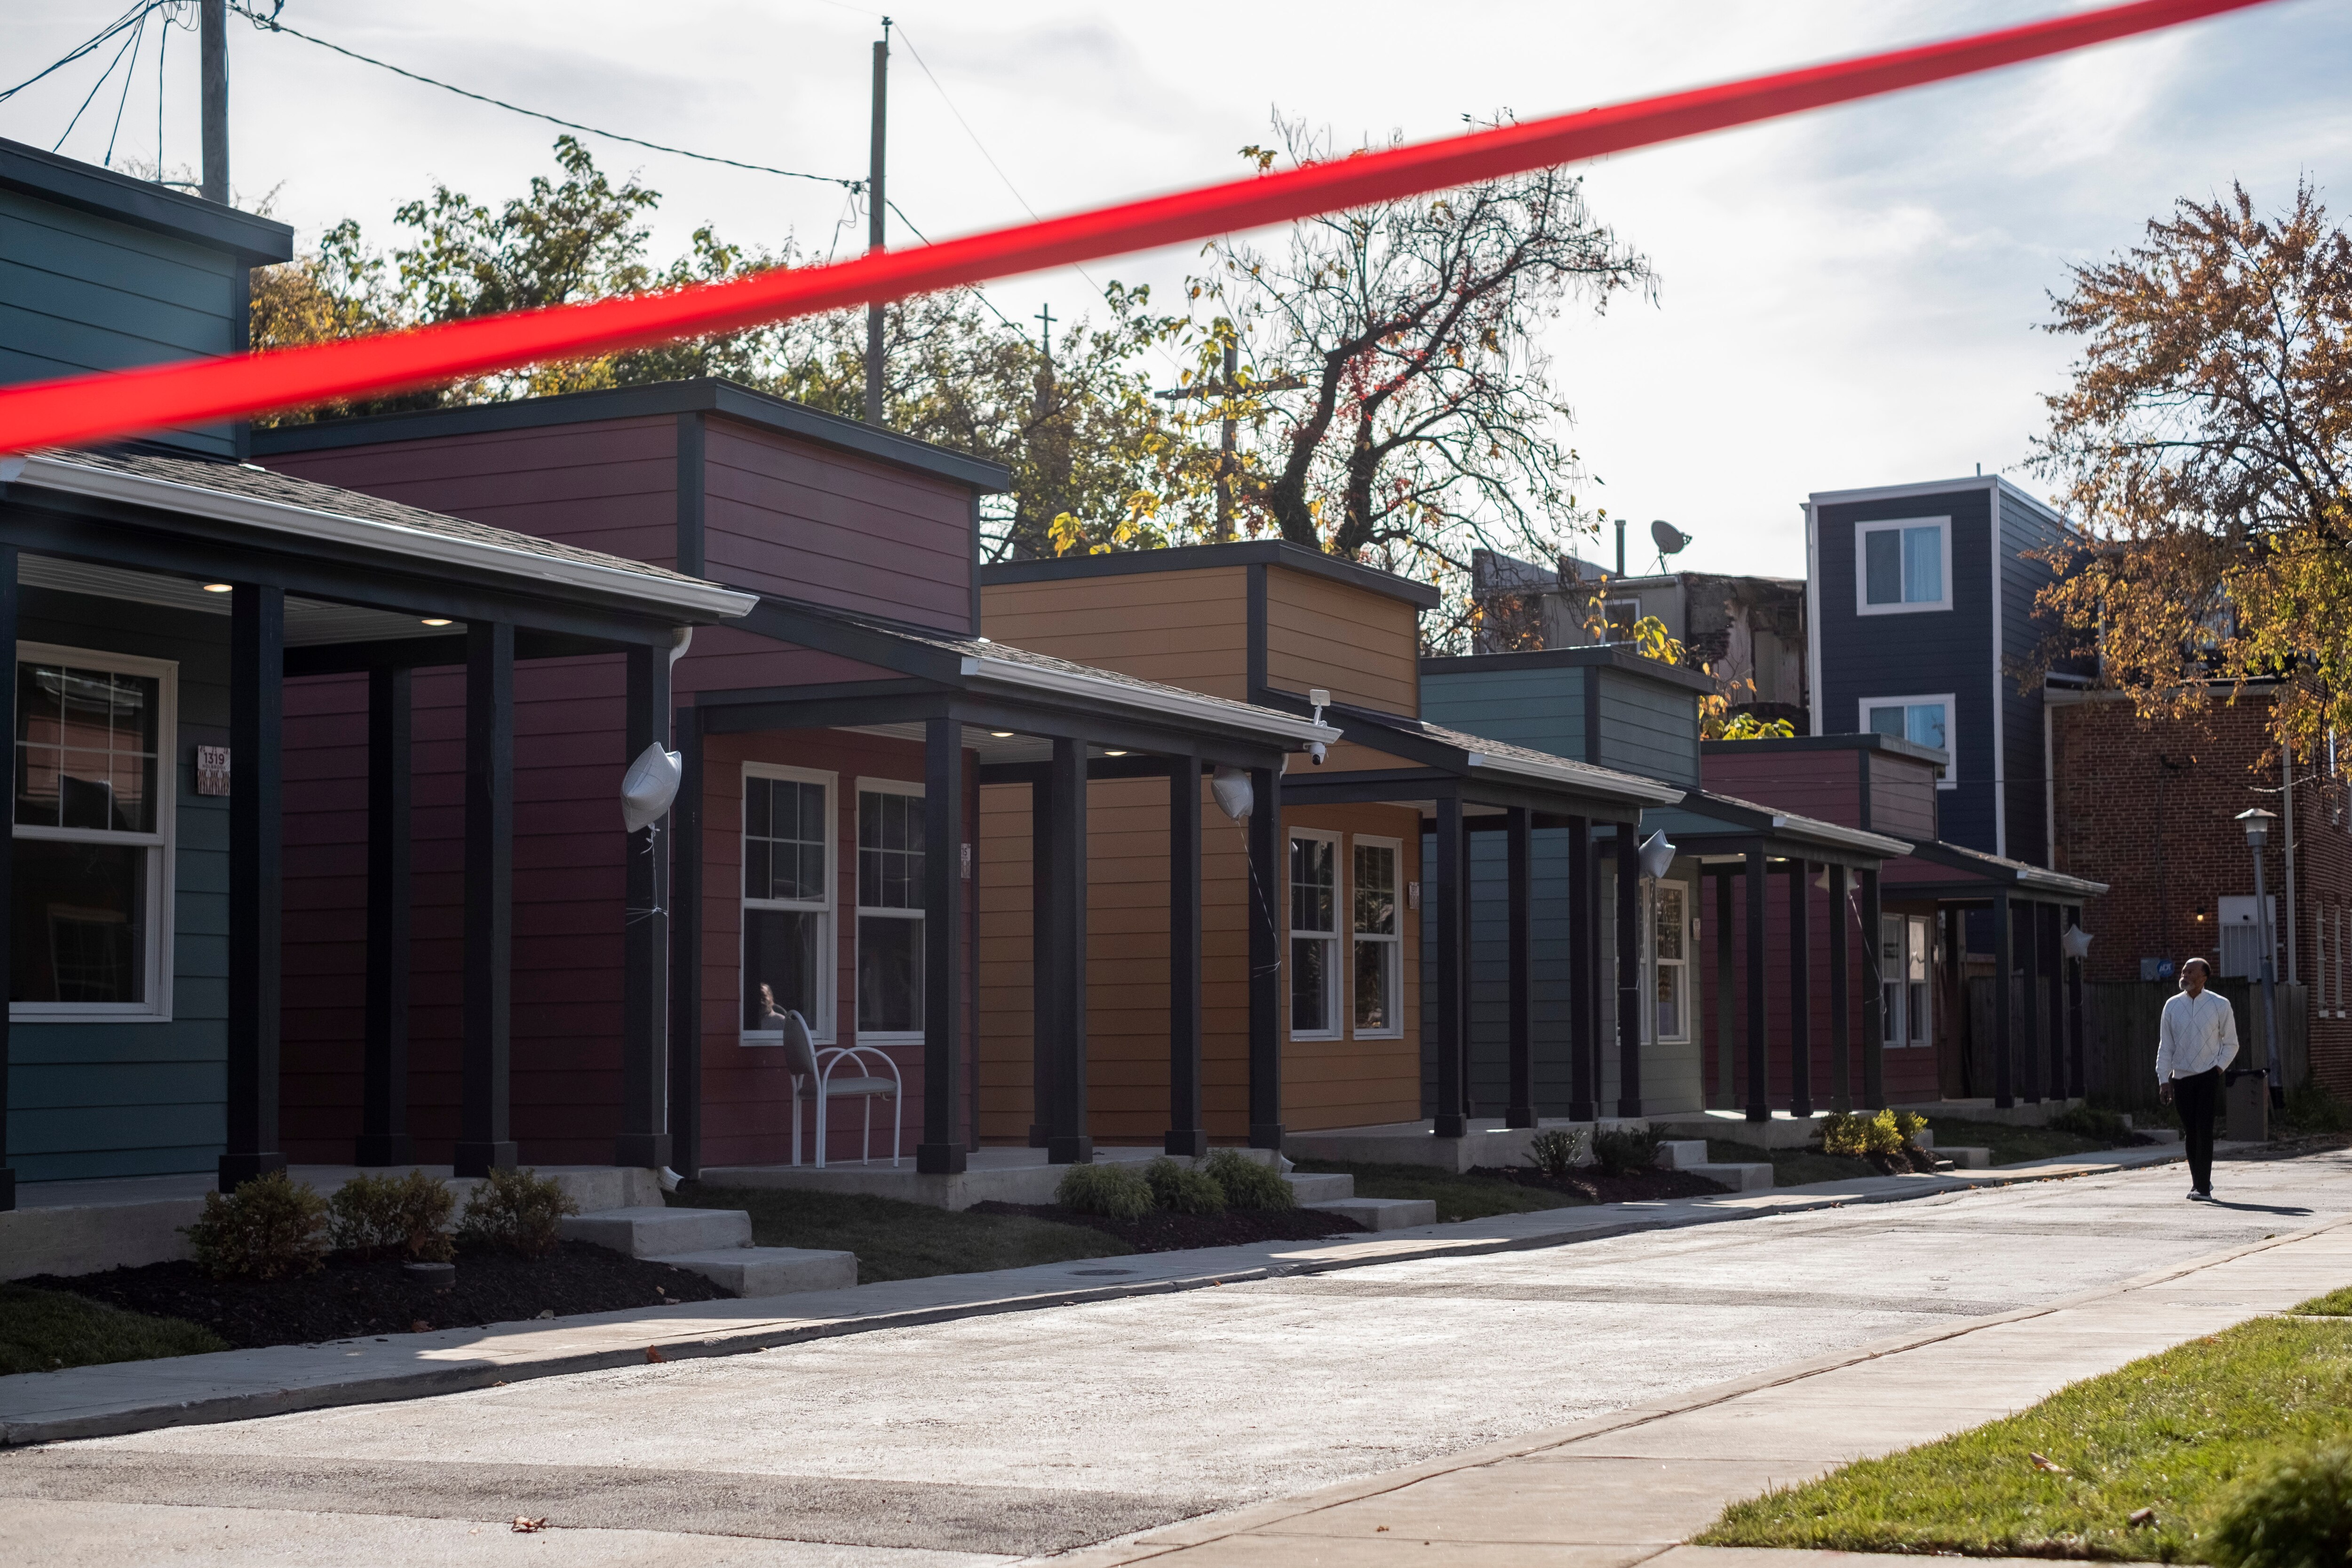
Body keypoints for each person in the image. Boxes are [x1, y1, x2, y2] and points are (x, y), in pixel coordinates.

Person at [2156, 956, 2237, 1200]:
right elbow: (2166, 1046)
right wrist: (2164, 1080)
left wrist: (2218, 1069)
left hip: (2207, 1076)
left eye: (2191, 972)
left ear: (2204, 977)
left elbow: (2231, 1044)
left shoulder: (2219, 1004)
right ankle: (2199, 1182)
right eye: (2184, 971)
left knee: (2205, 1128)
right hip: (2181, 1078)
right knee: (2191, 1130)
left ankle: (2203, 1189)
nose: (2185, 975)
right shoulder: (2172, 1006)